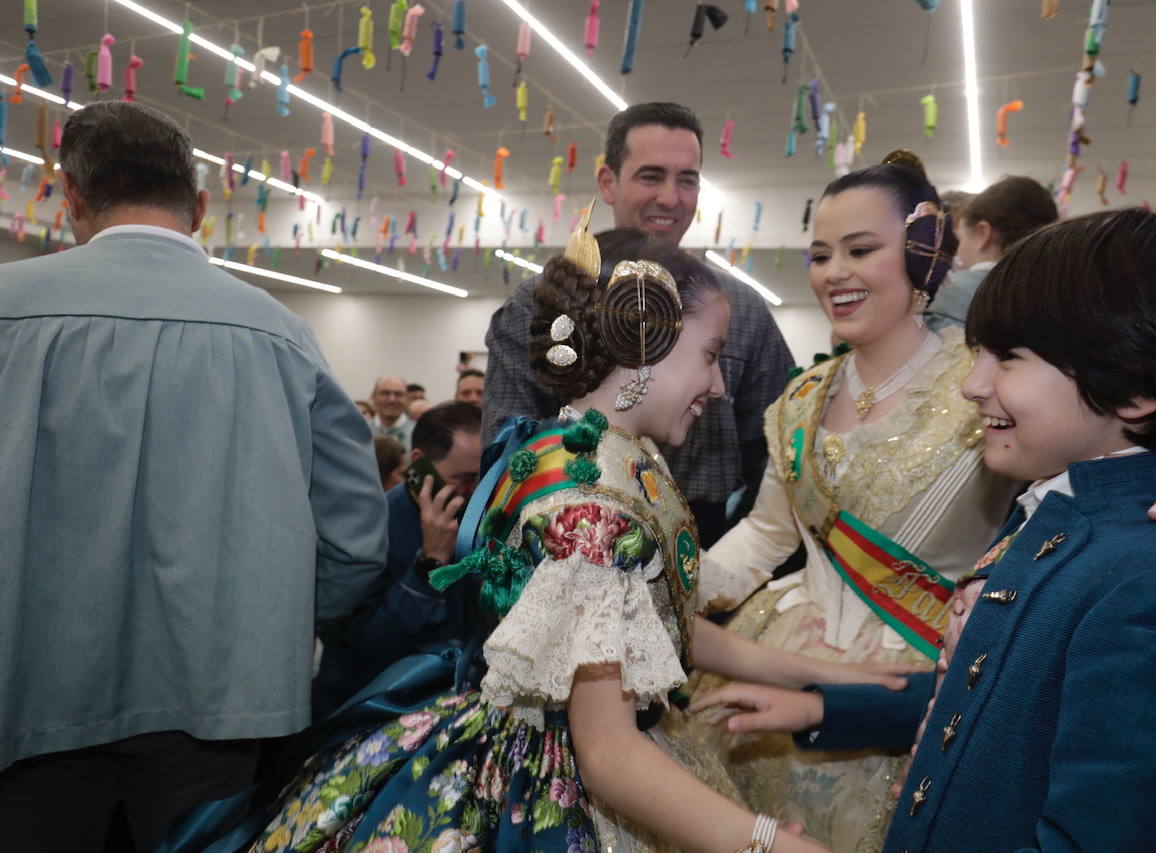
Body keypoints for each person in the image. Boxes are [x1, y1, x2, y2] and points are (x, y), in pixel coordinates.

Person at [165, 226, 915, 853]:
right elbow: (612, 756)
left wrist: (824, 675)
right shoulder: (593, 510)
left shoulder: (592, 449)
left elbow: (664, 629)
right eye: (712, 355)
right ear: (645, 342)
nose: (718, 385)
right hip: (550, 788)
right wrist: (769, 843)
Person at [685, 165, 1156, 851]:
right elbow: (995, 694)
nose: (975, 383)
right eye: (820, 254)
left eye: (1008, 357)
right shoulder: (1046, 513)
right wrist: (826, 705)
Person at [0, 100, 388, 853]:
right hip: (223, 708)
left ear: (72, 199)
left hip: (27, 699)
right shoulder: (280, 334)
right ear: (202, 207)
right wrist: (269, 627)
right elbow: (356, 542)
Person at [483, 102, 794, 546]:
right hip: (566, 542)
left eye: (687, 180)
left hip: (708, 546)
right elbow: (508, 456)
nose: (670, 197)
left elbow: (775, 459)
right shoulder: (539, 303)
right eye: (651, 176)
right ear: (608, 183)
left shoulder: (741, 310)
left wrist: (737, 563)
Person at [311, 401, 485, 719]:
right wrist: (428, 563)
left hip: (452, 705)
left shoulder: (475, 523)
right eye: (463, 478)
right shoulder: (366, 528)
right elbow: (365, 651)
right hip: (371, 712)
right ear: (419, 463)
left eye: (481, 477)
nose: (474, 491)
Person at [924, 175, 1057, 332]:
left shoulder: (947, 293)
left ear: (983, 233)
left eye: (960, 238)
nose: (956, 251)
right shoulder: (1053, 294)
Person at [369, 375, 413, 450]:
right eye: (385, 393)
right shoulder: (362, 431)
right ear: (373, 397)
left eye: (398, 394)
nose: (391, 400)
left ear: (407, 398)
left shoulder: (420, 433)